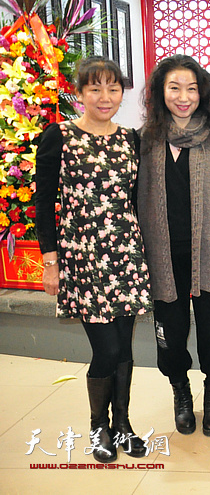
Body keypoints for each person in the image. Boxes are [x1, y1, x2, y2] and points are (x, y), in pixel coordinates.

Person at [35, 57, 152, 463]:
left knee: (124, 349)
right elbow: (44, 202)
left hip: (126, 255)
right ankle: (98, 425)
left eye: (113, 88)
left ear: (122, 93)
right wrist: (51, 261)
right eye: (95, 88)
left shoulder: (131, 139)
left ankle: (123, 425)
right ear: (80, 93)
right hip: (83, 257)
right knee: (106, 349)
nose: (105, 97)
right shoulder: (60, 136)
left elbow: (138, 198)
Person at [138, 54, 210, 438]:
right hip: (163, 253)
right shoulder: (146, 139)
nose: (183, 97)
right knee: (170, 331)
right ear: (161, 92)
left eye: (191, 88)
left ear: (202, 92)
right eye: (174, 88)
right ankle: (181, 391)